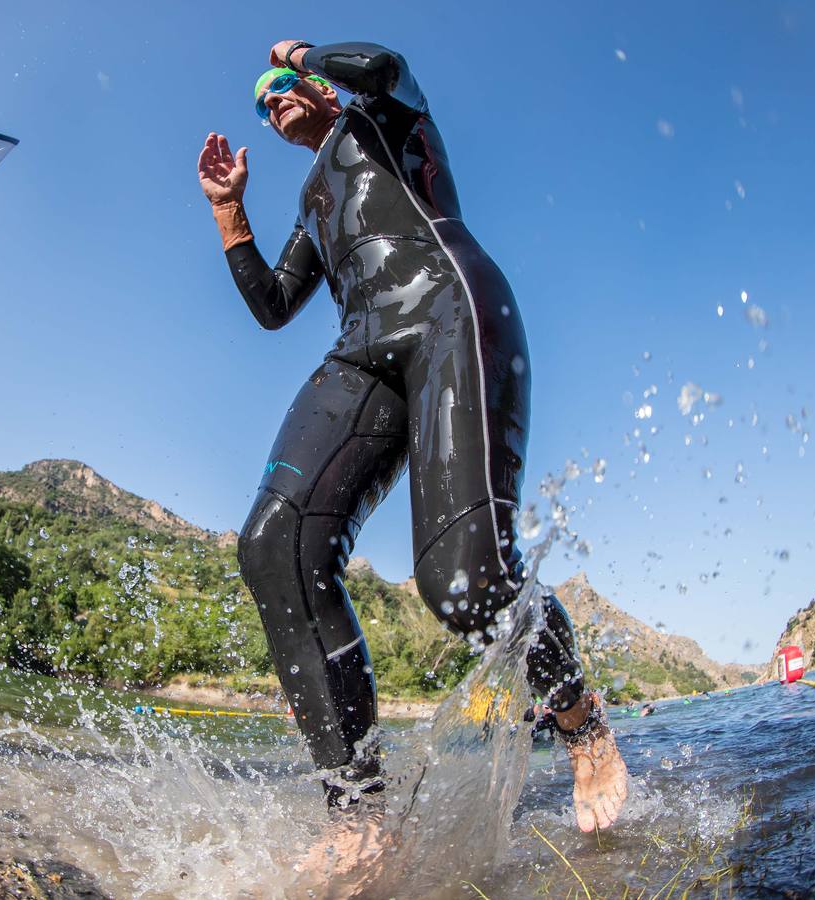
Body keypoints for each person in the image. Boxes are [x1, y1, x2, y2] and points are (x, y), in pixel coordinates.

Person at [197, 41, 627, 834]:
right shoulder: (311, 198)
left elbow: (382, 64)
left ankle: (580, 720)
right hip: (363, 351)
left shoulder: (387, 118)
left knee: (463, 580)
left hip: (448, 313)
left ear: (320, 86)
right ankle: (356, 811)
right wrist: (229, 212)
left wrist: (301, 53)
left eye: (281, 85)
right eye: (260, 101)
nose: (271, 100)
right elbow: (273, 304)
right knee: (274, 543)